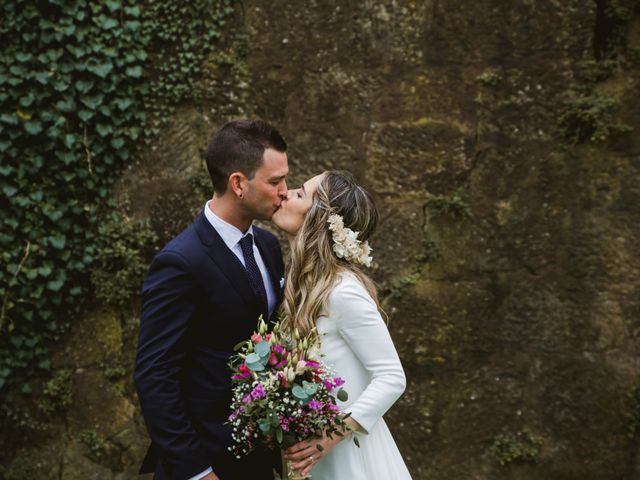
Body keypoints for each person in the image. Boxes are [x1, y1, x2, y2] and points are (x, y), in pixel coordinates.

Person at [134, 119, 289, 480]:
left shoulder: (267, 247)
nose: (285, 190)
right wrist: (197, 471)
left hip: (258, 458)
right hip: (205, 462)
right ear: (238, 183)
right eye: (274, 181)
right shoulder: (180, 261)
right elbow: (155, 374)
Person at [272, 171, 412, 479]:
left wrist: (329, 437)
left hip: (350, 458)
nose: (285, 193)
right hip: (315, 461)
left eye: (299, 194)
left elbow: (392, 377)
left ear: (317, 219)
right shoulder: (302, 287)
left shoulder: (343, 291)